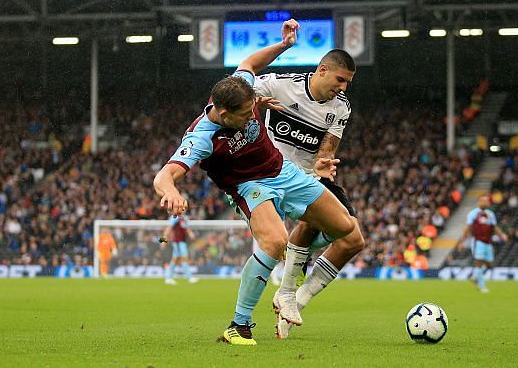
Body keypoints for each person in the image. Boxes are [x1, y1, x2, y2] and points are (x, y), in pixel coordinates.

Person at [153, 19, 354, 346]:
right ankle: (239, 325)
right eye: (245, 114)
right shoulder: (202, 137)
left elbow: (249, 64)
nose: (252, 115)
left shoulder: (240, 88)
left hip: (284, 171)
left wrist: (284, 45)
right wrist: (172, 191)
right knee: (274, 242)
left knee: (343, 228)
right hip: (250, 187)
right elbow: (165, 174)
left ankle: (295, 259)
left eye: (253, 107)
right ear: (222, 112)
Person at [254, 48, 365, 338]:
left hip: (308, 176)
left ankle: (295, 299)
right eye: (340, 80)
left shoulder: (341, 107)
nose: (342, 88)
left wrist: (323, 164)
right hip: (273, 175)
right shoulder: (280, 85)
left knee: (353, 241)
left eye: (347, 84)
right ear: (322, 70)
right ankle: (288, 290)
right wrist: (253, 101)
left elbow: (326, 151)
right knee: (311, 216)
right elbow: (230, 92)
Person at [458, 195, 508, 292]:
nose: (484, 202)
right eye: (482, 201)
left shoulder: (490, 214)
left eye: (486, 201)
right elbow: (468, 228)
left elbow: (494, 227)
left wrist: (502, 235)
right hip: (478, 241)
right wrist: (462, 242)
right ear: (478, 202)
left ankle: (475, 276)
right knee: (479, 263)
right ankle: (482, 286)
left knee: (489, 264)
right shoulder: (473, 214)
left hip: (488, 242)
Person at [164, 215, 198, 285]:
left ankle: (169, 278)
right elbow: (168, 229)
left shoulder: (184, 218)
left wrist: (191, 234)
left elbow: (186, 228)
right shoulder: (175, 217)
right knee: (184, 259)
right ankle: (190, 278)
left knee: (175, 260)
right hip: (177, 243)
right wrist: (163, 240)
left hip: (182, 242)